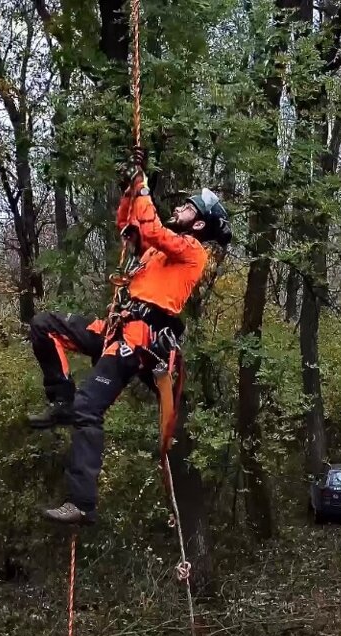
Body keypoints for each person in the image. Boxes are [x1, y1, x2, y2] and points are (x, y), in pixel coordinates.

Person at [28, 164, 232, 525]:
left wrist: (142, 189)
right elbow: (132, 228)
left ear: (199, 224)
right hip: (114, 327)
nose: (178, 209)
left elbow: (151, 228)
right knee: (45, 326)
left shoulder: (191, 252)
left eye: (187, 208)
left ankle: (82, 503)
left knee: (88, 408)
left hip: (137, 340)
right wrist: (128, 190)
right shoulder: (158, 251)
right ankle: (60, 399)